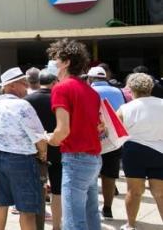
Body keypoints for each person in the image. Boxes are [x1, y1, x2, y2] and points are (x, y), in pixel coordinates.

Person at [47, 39, 103, 230]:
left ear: (67, 62)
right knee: (91, 213)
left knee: (73, 219)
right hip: (94, 158)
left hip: (76, 159)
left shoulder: (61, 88)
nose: (53, 63)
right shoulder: (91, 92)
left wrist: (49, 139)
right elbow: (98, 126)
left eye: (56, 58)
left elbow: (62, 131)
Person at [0, 67, 48, 230]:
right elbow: (40, 138)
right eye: (24, 84)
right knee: (27, 209)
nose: (27, 87)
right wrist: (43, 154)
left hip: (0, 158)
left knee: (1, 202)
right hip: (22, 160)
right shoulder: (23, 105)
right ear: (12, 86)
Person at [117, 73, 163, 230]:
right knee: (160, 192)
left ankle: (130, 225)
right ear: (151, 87)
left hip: (134, 151)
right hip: (160, 150)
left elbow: (116, 131)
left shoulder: (125, 108)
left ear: (130, 89)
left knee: (134, 191)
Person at [25, 69, 62, 230]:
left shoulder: (28, 100)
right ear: (54, 82)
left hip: (34, 149)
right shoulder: (60, 99)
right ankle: (56, 226)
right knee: (57, 190)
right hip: (57, 147)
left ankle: (38, 224)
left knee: (37, 188)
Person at [88, 65, 126, 220]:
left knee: (90, 175)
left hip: (93, 137)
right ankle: (108, 208)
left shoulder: (89, 91)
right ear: (106, 78)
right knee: (109, 175)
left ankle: (92, 208)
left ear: (90, 78)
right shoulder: (118, 91)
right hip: (113, 138)